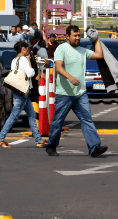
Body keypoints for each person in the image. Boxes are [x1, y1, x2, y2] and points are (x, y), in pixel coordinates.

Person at [45, 25, 107, 157]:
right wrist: (70, 77)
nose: (78, 38)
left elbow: (99, 55)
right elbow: (58, 67)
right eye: (75, 36)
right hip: (64, 94)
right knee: (58, 121)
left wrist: (96, 40)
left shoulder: (82, 51)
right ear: (67, 36)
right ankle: (51, 146)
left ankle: (94, 147)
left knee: (87, 120)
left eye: (79, 35)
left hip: (80, 94)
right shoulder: (61, 49)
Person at [0, 41, 46, 149]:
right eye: (28, 49)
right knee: (14, 115)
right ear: (23, 49)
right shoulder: (23, 59)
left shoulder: (14, 60)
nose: (29, 51)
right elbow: (30, 73)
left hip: (20, 90)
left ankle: (38, 140)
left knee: (31, 115)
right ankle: (0, 138)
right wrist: (30, 63)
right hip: (22, 91)